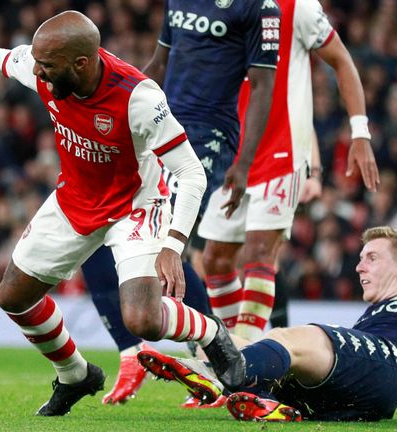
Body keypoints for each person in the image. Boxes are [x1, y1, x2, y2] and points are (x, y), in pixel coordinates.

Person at [0, 10, 244, 417]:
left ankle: (212, 332)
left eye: (48, 66)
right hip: (74, 200)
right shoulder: (44, 68)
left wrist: (173, 246)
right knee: (13, 297)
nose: (38, 72)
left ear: (81, 64)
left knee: (142, 320)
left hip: (135, 207)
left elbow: (191, 173)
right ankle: (75, 374)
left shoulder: (138, 98)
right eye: (37, 63)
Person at [138, 226, 397, 428]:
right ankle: (258, 395)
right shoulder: (371, 316)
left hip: (389, 370)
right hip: (350, 403)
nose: (359, 266)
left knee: (294, 338)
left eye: (370, 258)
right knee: (252, 341)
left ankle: (227, 376)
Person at [84, 0, 280, 405]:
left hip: (208, 137)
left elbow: (261, 88)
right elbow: (157, 65)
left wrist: (244, 162)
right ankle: (137, 351)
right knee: (98, 230)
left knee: (165, 245)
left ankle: (211, 358)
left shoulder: (262, 10)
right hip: (158, 124)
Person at [198, 0, 380, 342]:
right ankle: (230, 351)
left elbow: (342, 61)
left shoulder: (298, 7)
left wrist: (360, 132)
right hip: (233, 155)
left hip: (283, 153)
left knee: (258, 253)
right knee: (215, 259)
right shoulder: (216, 7)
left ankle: (240, 358)